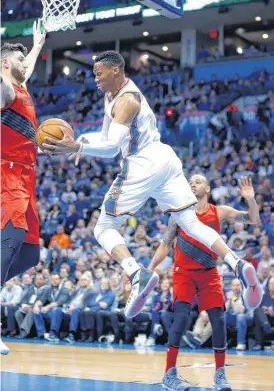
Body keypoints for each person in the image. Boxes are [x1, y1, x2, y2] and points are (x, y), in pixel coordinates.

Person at [41, 50, 262, 321]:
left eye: (99, 74)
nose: (95, 79)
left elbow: (111, 149)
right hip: (165, 159)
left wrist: (77, 146)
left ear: (116, 71)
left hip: (143, 162)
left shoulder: (128, 101)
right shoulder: (111, 95)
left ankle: (137, 273)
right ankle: (235, 262)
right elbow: (104, 136)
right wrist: (82, 143)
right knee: (189, 223)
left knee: (103, 228)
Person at [148, 175, 262, 391]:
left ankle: (220, 376)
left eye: (198, 181)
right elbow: (165, 246)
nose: (192, 184)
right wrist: (149, 268)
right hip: (184, 273)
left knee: (218, 322)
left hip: (209, 273)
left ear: (208, 188)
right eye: (190, 182)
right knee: (180, 319)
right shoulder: (178, 213)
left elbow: (253, 220)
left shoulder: (220, 212)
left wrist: (251, 200)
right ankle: (169, 375)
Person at [0, 20, 46, 355]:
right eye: (20, 57)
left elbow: (25, 70)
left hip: (26, 177)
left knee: (31, 253)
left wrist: (38, 42)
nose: (25, 60)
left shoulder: (21, 87)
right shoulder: (4, 89)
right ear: (4, 63)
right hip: (7, 174)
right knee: (12, 239)